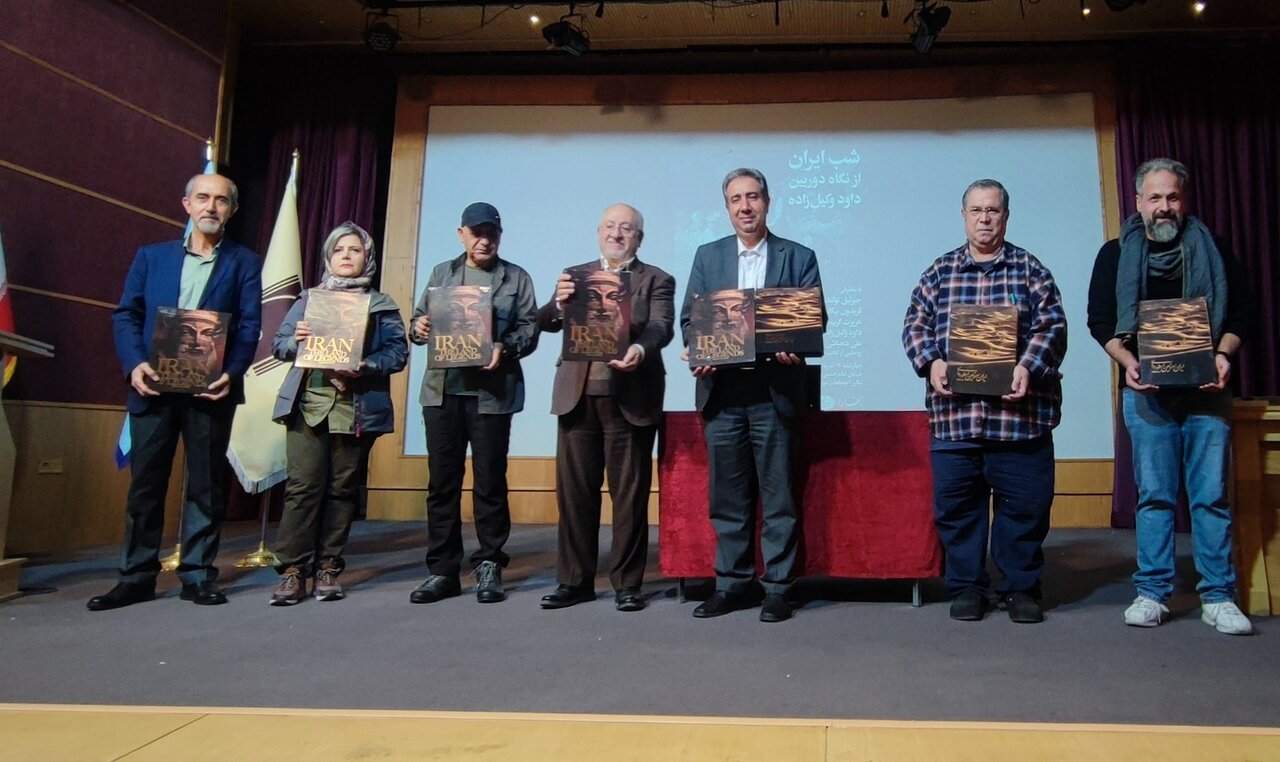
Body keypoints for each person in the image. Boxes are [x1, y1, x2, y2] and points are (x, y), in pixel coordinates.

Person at [1087, 158, 1254, 635]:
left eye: (1172, 197)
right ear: (1138, 202)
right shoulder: (1115, 254)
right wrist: (1128, 361)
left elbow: (1240, 313)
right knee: (1155, 497)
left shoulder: (1214, 249)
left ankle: (1219, 596)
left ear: (1185, 200)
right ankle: (1153, 592)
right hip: (1147, 395)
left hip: (1207, 394)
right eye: (1154, 198)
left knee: (1211, 498)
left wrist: (1222, 356)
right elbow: (1100, 321)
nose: (1164, 207)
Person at [89, 173, 263, 610]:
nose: (211, 206)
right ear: (186, 204)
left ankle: (198, 575)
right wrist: (134, 365)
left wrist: (234, 371)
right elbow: (125, 315)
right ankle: (136, 577)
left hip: (211, 391)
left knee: (205, 486)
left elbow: (248, 327)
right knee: (145, 487)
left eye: (221, 201)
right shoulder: (152, 257)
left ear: (232, 210)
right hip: (152, 387)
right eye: (202, 198)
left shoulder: (245, 262)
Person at [902, 179, 1067, 624]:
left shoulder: (1031, 270)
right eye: (976, 210)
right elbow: (914, 326)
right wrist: (931, 362)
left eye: (993, 210)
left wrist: (1027, 367)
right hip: (956, 420)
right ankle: (968, 586)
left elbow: (1053, 327)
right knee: (957, 510)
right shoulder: (939, 272)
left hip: (1019, 421)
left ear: (1006, 216)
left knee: (1025, 509)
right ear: (964, 216)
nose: (984, 218)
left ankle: (1020, 588)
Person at [678, 168, 825, 623]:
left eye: (753, 197)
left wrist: (795, 346)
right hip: (722, 393)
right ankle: (733, 584)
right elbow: (690, 319)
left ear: (767, 201)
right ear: (726, 207)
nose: (746, 206)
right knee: (728, 497)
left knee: (779, 496)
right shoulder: (708, 256)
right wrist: (695, 349)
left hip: (775, 392)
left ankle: (778, 587)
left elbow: (815, 318)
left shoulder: (798, 255)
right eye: (736, 199)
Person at [536, 204, 675, 612]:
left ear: (639, 238)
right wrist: (559, 306)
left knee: (629, 496)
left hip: (630, 396)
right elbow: (544, 321)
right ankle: (574, 581)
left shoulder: (657, 279)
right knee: (575, 495)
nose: (617, 234)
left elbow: (661, 327)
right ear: (599, 232)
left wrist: (637, 348)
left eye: (627, 229)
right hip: (577, 396)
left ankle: (627, 584)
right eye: (611, 227)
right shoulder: (574, 275)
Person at [267, 222, 408, 605]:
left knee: (342, 490)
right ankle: (294, 571)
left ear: (368, 258)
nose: (347, 256)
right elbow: (278, 345)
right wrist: (295, 342)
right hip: (308, 406)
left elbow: (398, 354)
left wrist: (364, 365)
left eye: (355, 250)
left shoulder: (381, 304)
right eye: (339, 250)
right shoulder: (308, 300)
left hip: (356, 407)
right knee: (303, 488)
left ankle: (329, 566)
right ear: (329, 257)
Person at [408, 202, 539, 604]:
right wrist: (420, 326)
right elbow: (416, 325)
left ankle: (489, 565)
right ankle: (443, 570)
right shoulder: (441, 274)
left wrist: (505, 345)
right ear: (461, 234)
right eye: (477, 232)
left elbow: (530, 329)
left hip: (492, 395)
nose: (485, 240)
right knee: (441, 485)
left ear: (500, 235)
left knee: (489, 483)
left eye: (492, 233)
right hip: (443, 391)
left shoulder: (515, 278)